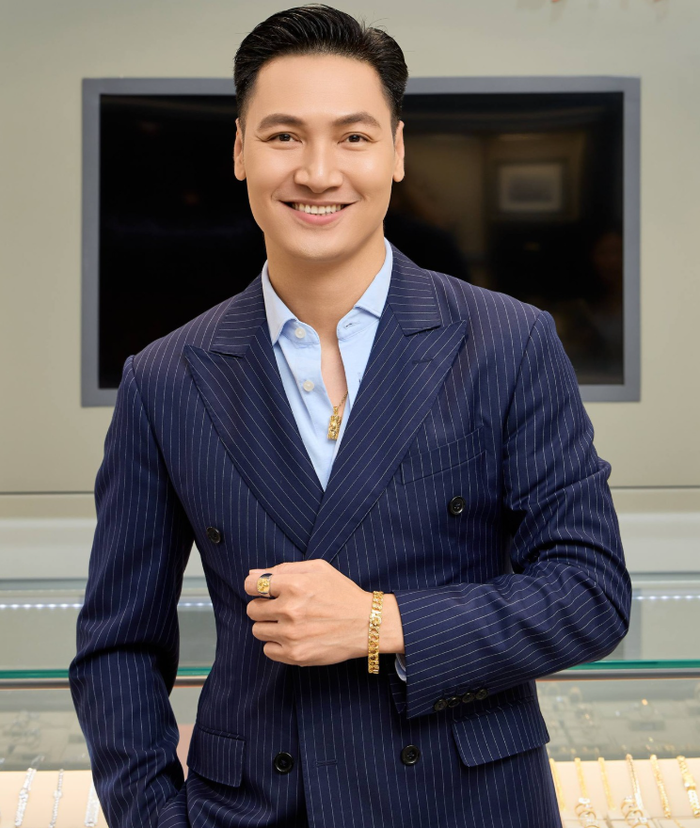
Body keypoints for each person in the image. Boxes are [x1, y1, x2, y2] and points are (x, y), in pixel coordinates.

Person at [68, 5, 632, 827]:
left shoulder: (508, 342)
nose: (318, 171)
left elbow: (590, 593)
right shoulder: (164, 378)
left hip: (469, 804)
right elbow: (118, 648)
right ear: (240, 150)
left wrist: (379, 622)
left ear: (397, 151)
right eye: (284, 135)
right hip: (254, 808)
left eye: (354, 136)